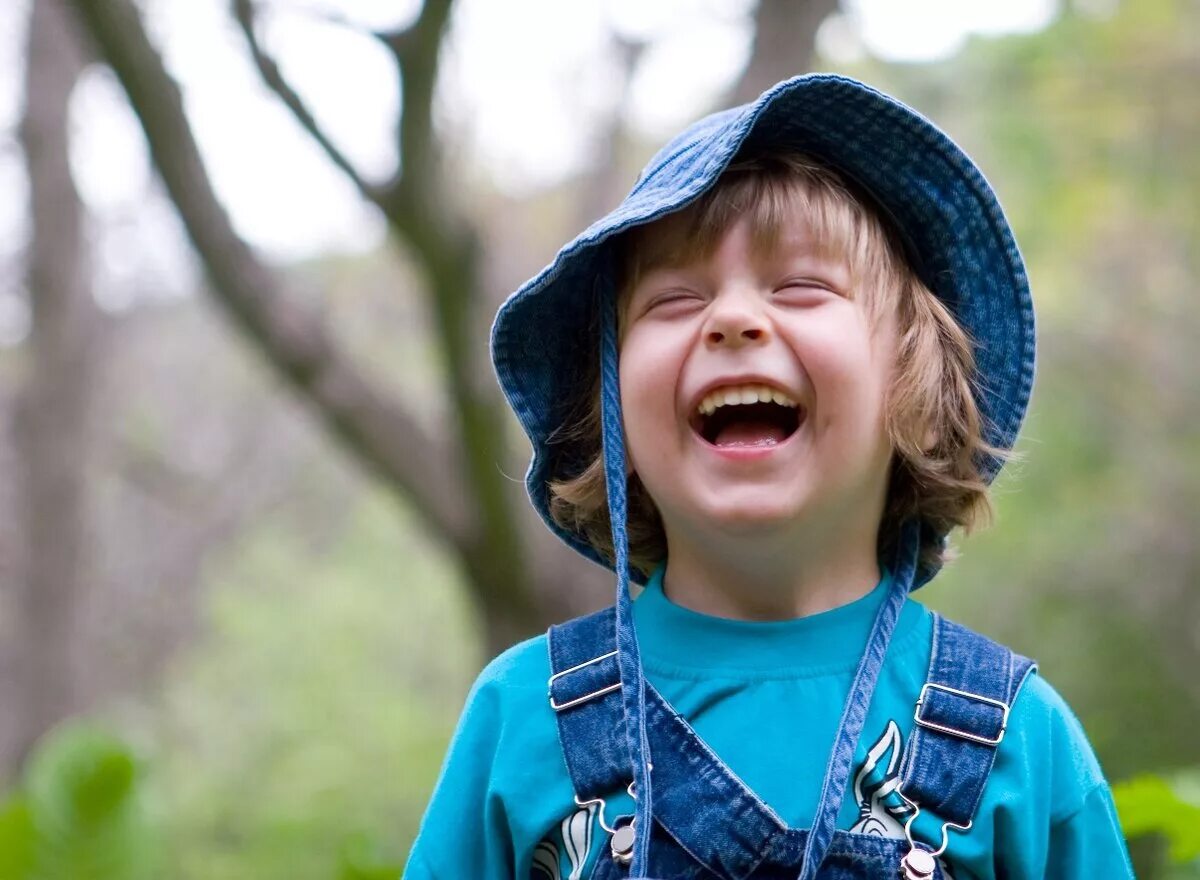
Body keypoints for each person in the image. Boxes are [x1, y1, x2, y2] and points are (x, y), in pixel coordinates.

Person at [402, 74, 1134, 880]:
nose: (733, 319)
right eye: (674, 300)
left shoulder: (1018, 744)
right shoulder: (523, 719)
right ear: (612, 418)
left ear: (918, 394)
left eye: (802, 287)